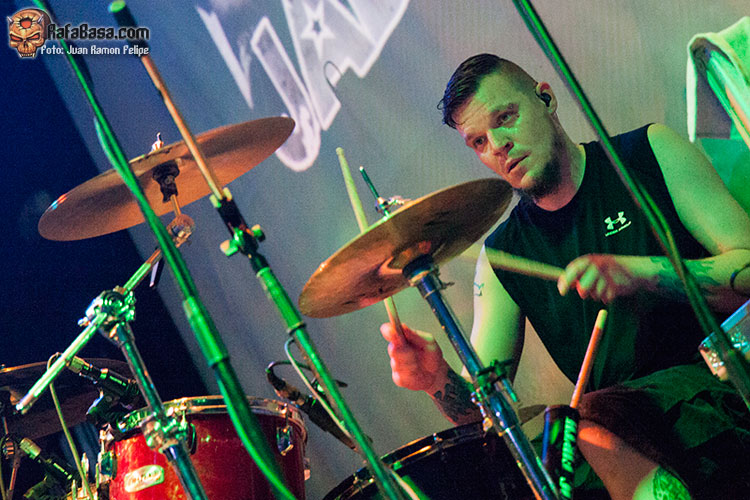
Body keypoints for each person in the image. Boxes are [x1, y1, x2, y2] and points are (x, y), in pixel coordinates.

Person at [381, 53, 750, 500]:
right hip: (615, 434)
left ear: (546, 99)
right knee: (535, 466)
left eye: (505, 118)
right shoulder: (502, 256)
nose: (498, 145)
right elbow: (484, 407)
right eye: (478, 141)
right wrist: (436, 379)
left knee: (592, 418)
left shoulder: (647, 153)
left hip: (720, 386)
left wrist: (645, 273)